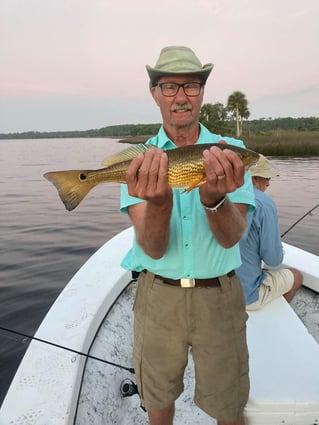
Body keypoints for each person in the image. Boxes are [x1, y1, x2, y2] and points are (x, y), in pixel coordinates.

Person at [120, 46, 255, 425]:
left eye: (191, 86)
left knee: (230, 407)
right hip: (157, 298)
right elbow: (152, 247)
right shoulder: (140, 160)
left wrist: (214, 199)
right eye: (169, 86)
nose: (181, 97)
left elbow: (231, 239)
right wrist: (159, 203)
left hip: (220, 300)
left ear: (202, 92)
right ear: (154, 93)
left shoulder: (232, 153)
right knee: (158, 402)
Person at [236, 154, 303, 310]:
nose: (268, 183)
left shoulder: (220, 195)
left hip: (216, 294)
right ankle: (275, 317)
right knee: (297, 276)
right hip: (245, 297)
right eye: (266, 178)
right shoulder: (264, 204)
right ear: (253, 179)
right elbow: (273, 260)